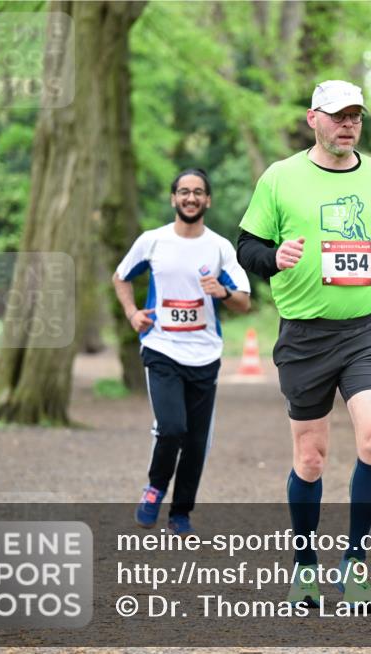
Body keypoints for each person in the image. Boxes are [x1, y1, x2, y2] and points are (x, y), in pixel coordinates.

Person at [237, 80, 371, 608]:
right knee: (311, 459)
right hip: (305, 336)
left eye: (356, 115)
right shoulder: (280, 177)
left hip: (367, 329)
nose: (348, 124)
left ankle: (355, 560)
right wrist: (274, 258)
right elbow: (247, 245)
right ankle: (305, 563)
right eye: (338, 115)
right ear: (314, 118)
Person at [114, 168, 251, 536]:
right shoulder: (153, 241)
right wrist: (132, 313)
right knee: (172, 427)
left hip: (205, 354)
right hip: (161, 347)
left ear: (208, 200)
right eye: (184, 192)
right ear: (174, 198)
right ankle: (155, 487)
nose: (191, 198)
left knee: (196, 440)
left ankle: (181, 512)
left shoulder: (220, 247)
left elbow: (244, 301)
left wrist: (221, 292)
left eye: (198, 192)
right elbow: (121, 276)